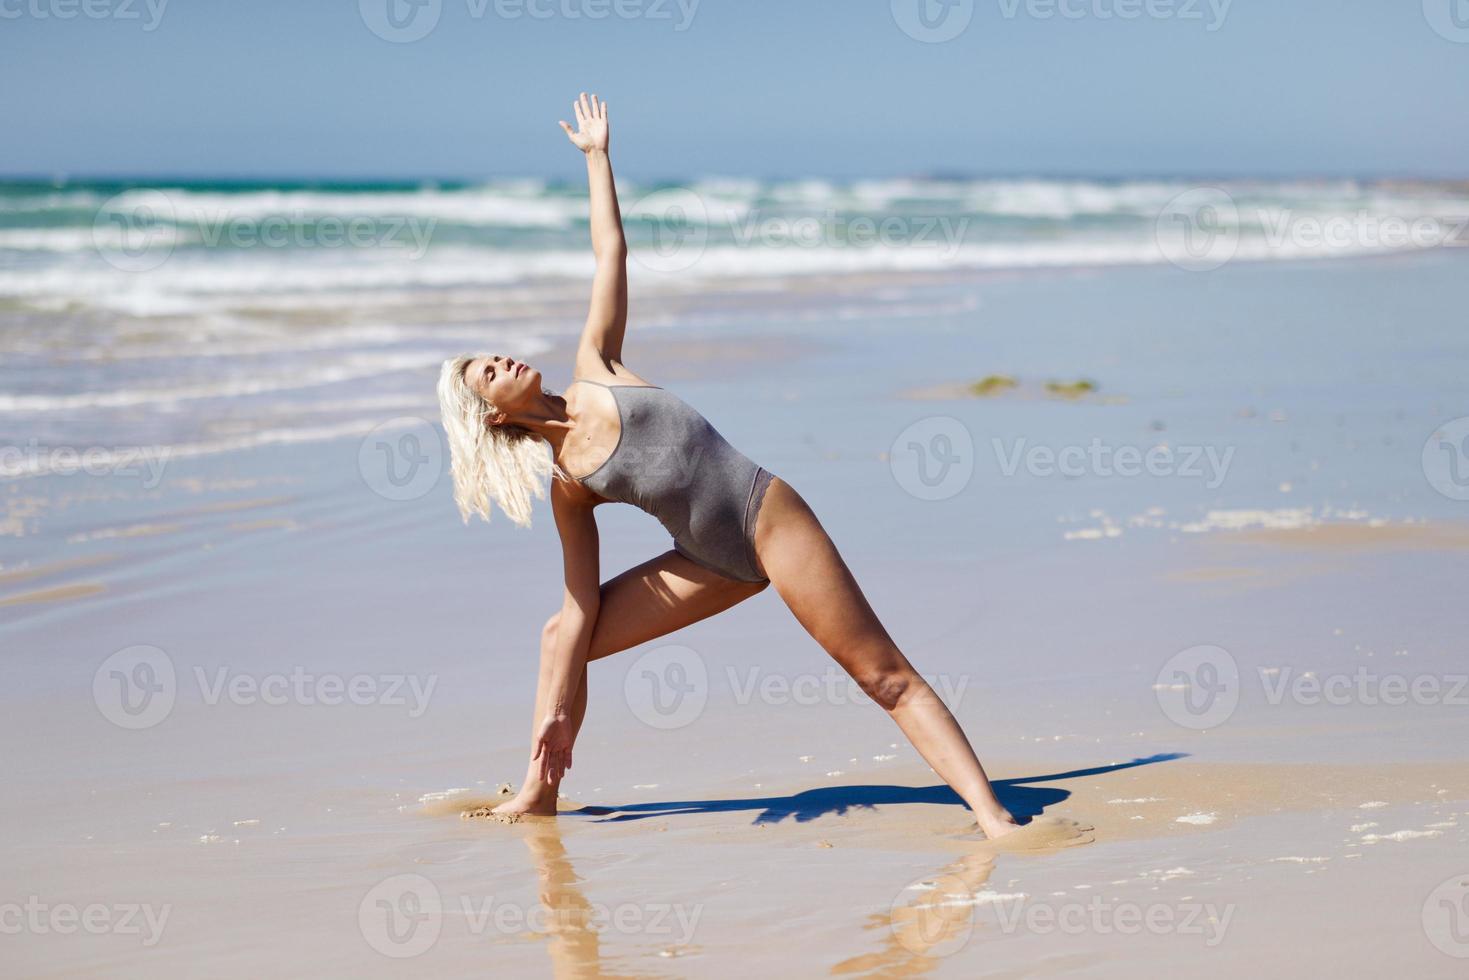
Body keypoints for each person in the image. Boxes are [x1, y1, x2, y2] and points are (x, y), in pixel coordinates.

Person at [436, 93, 1021, 841]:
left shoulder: (597, 365)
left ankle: (994, 816)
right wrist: (555, 709)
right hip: (707, 566)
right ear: (492, 414)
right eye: (489, 371)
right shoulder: (568, 485)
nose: (503, 359)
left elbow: (609, 252)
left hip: (766, 518)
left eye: (494, 353)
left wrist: (597, 159)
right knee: (562, 634)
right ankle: (540, 784)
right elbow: (582, 602)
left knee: (880, 675)